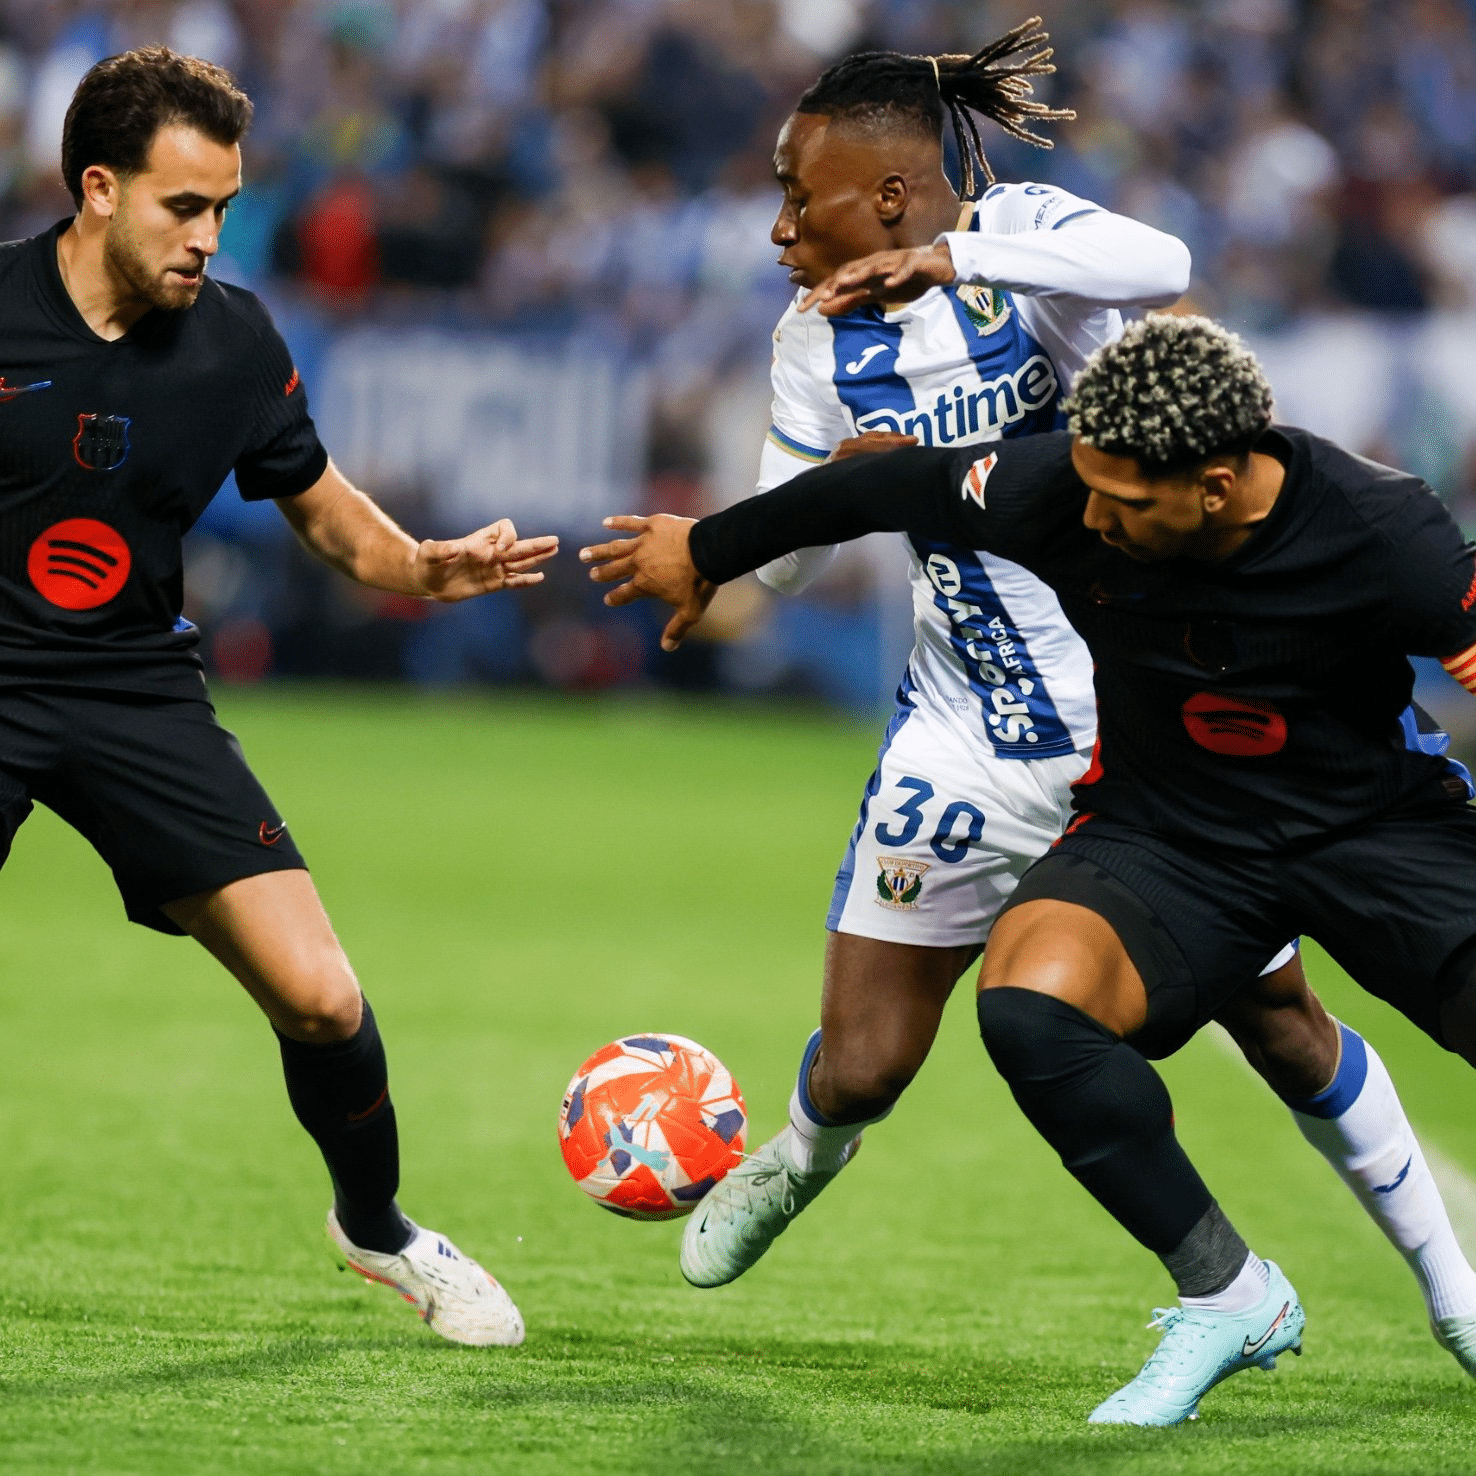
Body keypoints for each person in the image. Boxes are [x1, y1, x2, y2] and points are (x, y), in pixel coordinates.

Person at [651, 18, 1476, 1394]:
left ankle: (1446, 1282)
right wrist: (733, 541)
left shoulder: (1020, 242)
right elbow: (800, 545)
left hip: (1139, 713)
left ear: (898, 196)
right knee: (862, 1065)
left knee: (1278, 1018)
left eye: (805, 195)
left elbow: (1160, 265)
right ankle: (799, 1153)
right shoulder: (815, 340)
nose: (783, 226)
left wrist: (960, 258)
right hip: (966, 730)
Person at [0, 47, 556, 1346]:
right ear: (96, 188)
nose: (208, 237)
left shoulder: (237, 342)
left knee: (319, 997)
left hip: (134, 687)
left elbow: (330, 520)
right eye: (182, 207)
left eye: (225, 209)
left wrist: (428, 565)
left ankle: (380, 1228)